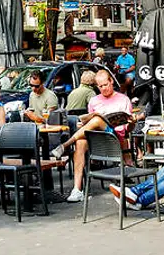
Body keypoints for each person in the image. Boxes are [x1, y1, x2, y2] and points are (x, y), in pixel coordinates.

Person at [53, 70, 136, 202]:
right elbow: (88, 124)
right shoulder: (93, 100)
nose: (103, 88)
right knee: (81, 142)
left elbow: (127, 129)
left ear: (111, 82)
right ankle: (77, 189)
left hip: (114, 138)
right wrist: (86, 122)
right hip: (96, 140)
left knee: (98, 120)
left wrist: (132, 123)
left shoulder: (123, 99)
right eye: (100, 86)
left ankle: (65, 145)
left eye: (105, 85)